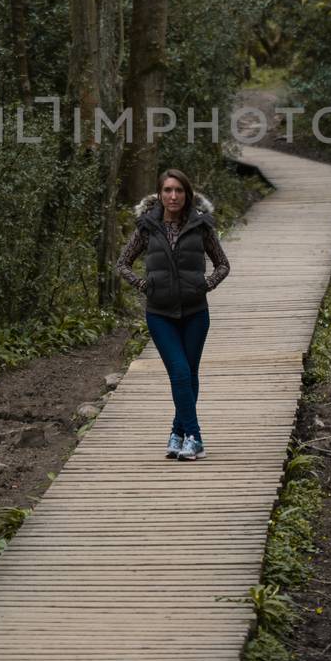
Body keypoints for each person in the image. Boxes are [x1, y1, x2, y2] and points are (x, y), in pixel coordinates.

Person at [116, 167, 231, 462]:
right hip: (160, 313)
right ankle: (195, 437)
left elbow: (222, 264)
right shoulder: (146, 228)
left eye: (179, 190)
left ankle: (177, 434)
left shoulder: (201, 226)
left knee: (189, 376)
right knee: (179, 372)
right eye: (167, 190)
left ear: (187, 194)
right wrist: (144, 285)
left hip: (195, 312)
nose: (173, 196)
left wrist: (205, 285)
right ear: (160, 194)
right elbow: (123, 263)